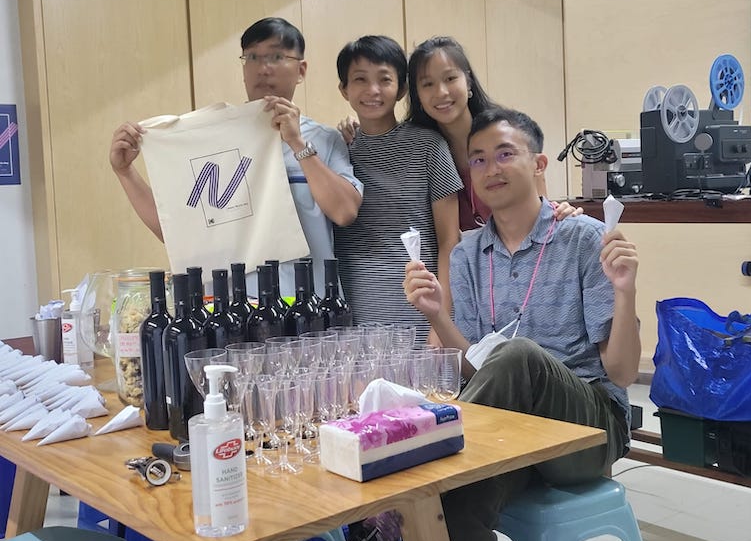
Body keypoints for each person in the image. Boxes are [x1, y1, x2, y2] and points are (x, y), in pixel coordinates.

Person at [403, 107, 640, 541]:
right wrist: (436, 314)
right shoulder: (468, 255)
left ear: (538, 163)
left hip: (588, 432)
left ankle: (424, 462)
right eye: (477, 159)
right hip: (510, 435)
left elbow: (624, 374)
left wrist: (625, 292)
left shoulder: (584, 238)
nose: (490, 169)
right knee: (452, 506)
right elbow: (474, 369)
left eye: (504, 153)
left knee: (517, 356)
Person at [109, 17, 363, 296]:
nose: (263, 68)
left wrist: (295, 142)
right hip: (231, 313)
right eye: (252, 57)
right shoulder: (208, 139)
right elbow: (178, 233)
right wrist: (126, 173)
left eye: (276, 56)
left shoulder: (325, 139)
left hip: (311, 310)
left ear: (301, 70)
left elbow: (344, 212)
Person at [335, 35, 461, 343]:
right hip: (354, 313)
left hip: (418, 307)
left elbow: (450, 241)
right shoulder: (337, 150)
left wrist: (441, 321)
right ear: (344, 90)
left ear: (402, 88)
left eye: (384, 79)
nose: (372, 90)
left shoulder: (428, 145)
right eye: (360, 80)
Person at [405, 36, 577, 230]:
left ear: (468, 82)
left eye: (450, 78)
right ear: (417, 93)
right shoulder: (417, 152)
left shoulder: (508, 134)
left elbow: (542, 213)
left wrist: (561, 212)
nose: (441, 92)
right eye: (428, 84)